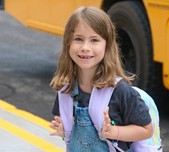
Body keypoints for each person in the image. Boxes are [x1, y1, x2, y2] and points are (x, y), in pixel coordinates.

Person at [49, 6, 153, 152]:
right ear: (68, 43)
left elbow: (146, 129)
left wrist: (114, 132)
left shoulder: (121, 91)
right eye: (78, 39)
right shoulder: (66, 89)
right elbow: (67, 129)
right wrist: (63, 131)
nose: (85, 47)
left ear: (107, 46)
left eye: (94, 40)